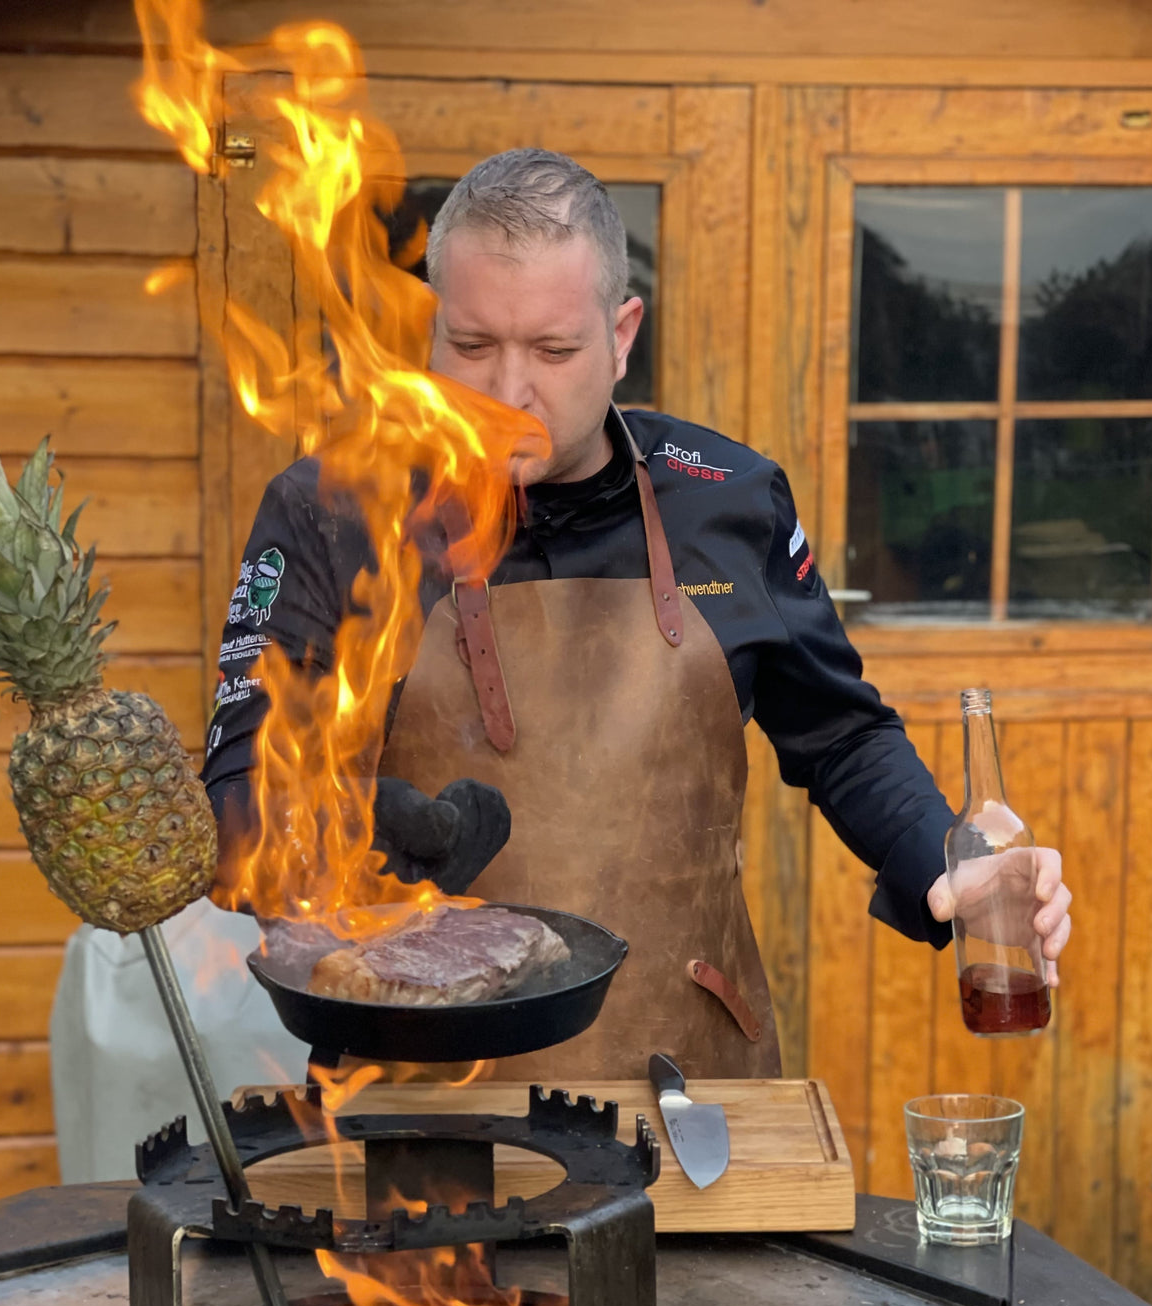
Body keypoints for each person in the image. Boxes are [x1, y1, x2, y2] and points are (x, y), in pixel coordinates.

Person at [202, 148, 1071, 1081]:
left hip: (684, 1086)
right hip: (411, 1089)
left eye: (553, 350)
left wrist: (941, 861)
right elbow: (243, 792)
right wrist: (373, 825)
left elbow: (842, 737)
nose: (505, 393)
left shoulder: (729, 502)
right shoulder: (327, 513)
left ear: (621, 335)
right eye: (472, 345)